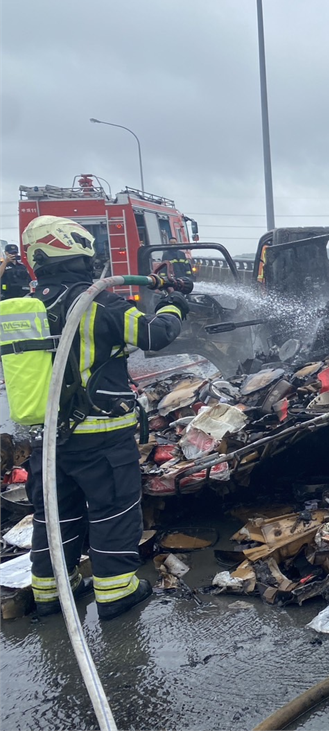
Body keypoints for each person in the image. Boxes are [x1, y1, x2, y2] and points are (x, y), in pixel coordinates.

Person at [15, 216, 188, 621]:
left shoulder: (26, 307)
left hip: (47, 439)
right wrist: (171, 305)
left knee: (55, 515)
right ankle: (116, 592)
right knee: (112, 511)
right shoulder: (95, 302)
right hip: (101, 435)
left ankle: (51, 591)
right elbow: (153, 334)